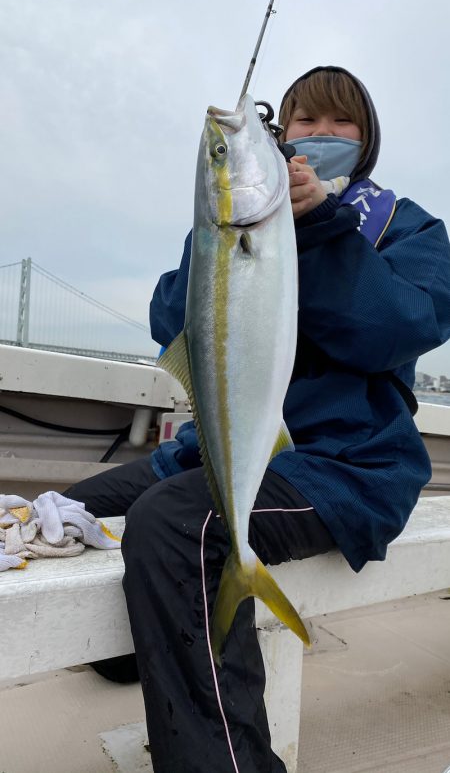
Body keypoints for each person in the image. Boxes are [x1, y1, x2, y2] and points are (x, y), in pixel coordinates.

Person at [64, 65, 450, 773]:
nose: (323, 135)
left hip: (349, 464)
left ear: (367, 142)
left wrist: (323, 229)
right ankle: (131, 653)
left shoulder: (406, 227)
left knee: (179, 524)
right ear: (281, 134)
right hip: (221, 450)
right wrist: (218, 230)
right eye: (307, 121)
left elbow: (397, 329)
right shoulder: (244, 207)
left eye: (343, 124)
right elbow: (168, 321)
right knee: (65, 509)